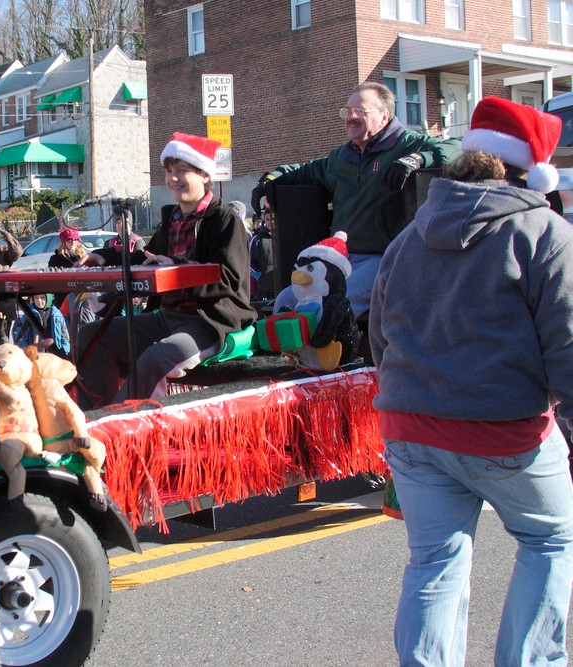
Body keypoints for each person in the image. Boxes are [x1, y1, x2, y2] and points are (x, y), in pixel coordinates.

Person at [370, 97, 573, 666]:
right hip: (502, 430)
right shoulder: (545, 233)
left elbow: (380, 336)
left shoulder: (409, 236)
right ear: (531, 171)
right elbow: (568, 347)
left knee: (435, 559)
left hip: (409, 425)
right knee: (551, 539)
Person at [75, 132, 258, 408]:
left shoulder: (224, 220)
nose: (173, 178)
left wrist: (177, 268)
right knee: (91, 336)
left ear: (204, 175)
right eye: (169, 171)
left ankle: (116, 428)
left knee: (156, 358)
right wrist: (104, 256)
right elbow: (146, 256)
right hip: (166, 318)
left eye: (182, 171)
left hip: (208, 323)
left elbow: (229, 278)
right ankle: (91, 420)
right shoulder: (172, 218)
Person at [250, 81, 461, 317]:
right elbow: (306, 170)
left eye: (360, 111)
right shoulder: (342, 156)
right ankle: (299, 355)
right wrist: (269, 180)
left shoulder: (406, 143)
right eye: (347, 111)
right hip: (341, 258)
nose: (350, 117)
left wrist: (418, 159)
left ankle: (343, 353)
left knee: (326, 308)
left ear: (384, 116)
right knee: (285, 301)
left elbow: (460, 146)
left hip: (383, 258)